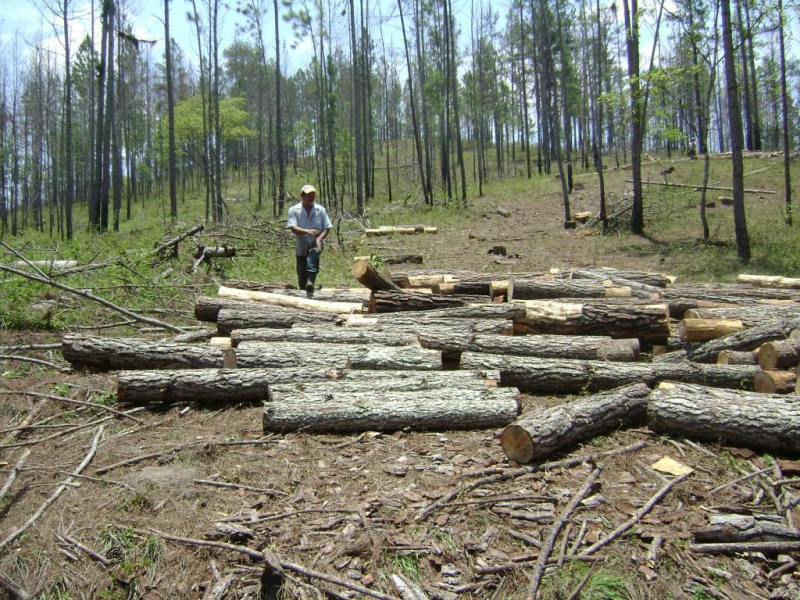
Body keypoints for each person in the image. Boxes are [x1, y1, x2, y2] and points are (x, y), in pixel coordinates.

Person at [287, 184, 332, 297]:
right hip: (301, 246)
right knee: (301, 274)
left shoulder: (320, 210)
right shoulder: (294, 210)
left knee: (313, 255)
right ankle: (304, 294)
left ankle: (310, 282)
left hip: (315, 243)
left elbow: (327, 227)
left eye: (313, 195)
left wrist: (320, 239)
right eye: (308, 195)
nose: (311, 197)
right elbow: (293, 227)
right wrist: (307, 231)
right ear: (302, 195)